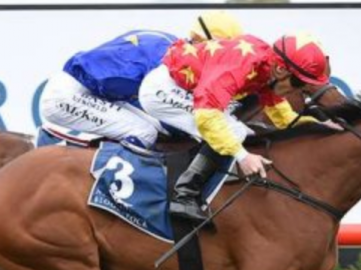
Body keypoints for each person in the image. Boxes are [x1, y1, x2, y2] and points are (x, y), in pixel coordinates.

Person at [138, 32, 331, 222]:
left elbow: (282, 116)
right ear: (281, 70)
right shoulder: (242, 66)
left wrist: (318, 126)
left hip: (183, 87)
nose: (299, 89)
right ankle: (184, 195)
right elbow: (206, 117)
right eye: (298, 82)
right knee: (233, 131)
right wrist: (243, 157)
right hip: (162, 90)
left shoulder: (268, 65)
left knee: (244, 131)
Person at [38, 11, 244, 148]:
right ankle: (109, 190)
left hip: (88, 91)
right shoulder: (169, 60)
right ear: (201, 42)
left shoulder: (174, 47)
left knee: (150, 128)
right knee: (143, 132)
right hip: (68, 95)